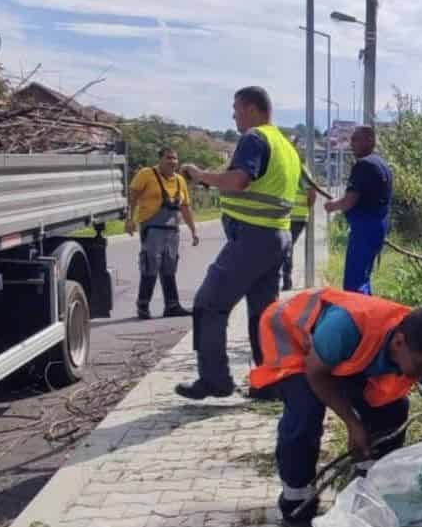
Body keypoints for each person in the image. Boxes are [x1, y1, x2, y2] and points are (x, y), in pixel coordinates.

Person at [246, 287, 422, 527]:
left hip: (331, 350)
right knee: (306, 414)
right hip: (288, 333)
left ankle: (370, 494)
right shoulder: (346, 328)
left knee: (391, 408)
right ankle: (296, 509)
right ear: (399, 342)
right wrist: (352, 424)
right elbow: (316, 374)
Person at [174, 86, 299, 402]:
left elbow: (238, 181)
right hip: (276, 239)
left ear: (254, 109)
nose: (233, 115)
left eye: (237, 108)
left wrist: (201, 175)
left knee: (208, 303)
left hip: (252, 239)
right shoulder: (286, 146)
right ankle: (268, 382)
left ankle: (215, 380)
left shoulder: (255, 138)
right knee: (262, 313)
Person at [125, 145, 199, 319]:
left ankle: (172, 306)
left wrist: (193, 231)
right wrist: (129, 219)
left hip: (172, 230)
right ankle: (143, 306)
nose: (172, 161)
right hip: (152, 229)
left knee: (169, 268)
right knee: (150, 266)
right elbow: (132, 196)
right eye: (168, 158)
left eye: (175, 158)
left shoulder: (180, 180)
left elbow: (185, 207)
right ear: (160, 159)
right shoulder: (146, 174)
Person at [323, 126, 393, 295]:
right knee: (363, 277)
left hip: (365, 228)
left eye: (355, 139)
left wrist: (332, 206)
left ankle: (358, 319)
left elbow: (349, 201)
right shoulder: (382, 164)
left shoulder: (364, 165)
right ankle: (368, 316)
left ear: (369, 140)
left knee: (354, 284)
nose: (351, 144)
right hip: (378, 225)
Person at [280, 173, 334, 291]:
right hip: (287, 216)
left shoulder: (301, 170)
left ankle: (286, 280)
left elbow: (312, 193)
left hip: (296, 217)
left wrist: (306, 207)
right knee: (285, 247)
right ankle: (285, 280)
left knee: (285, 247)